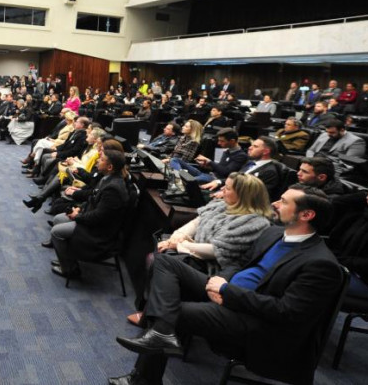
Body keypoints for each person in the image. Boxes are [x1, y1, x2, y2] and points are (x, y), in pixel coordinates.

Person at [110, 187, 343, 385]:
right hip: (228, 290)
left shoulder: (321, 264)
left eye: (283, 201)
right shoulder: (274, 233)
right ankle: (160, 337)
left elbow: (286, 312)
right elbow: (241, 263)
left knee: (170, 313)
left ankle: (143, 376)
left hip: (255, 319)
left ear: (307, 214)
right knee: (165, 262)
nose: (274, 203)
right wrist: (219, 283)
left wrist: (227, 292)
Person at [127, 173, 274, 327]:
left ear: (243, 195)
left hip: (211, 267)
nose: (222, 189)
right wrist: (176, 237)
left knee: (156, 261)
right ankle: (152, 314)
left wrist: (179, 246)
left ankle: (154, 317)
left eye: (228, 188)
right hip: (192, 251)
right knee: (158, 255)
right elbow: (196, 222)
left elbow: (217, 250)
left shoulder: (255, 222)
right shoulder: (222, 205)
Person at [49, 149, 132, 279]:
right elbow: (92, 199)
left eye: (102, 159)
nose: (98, 160)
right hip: (92, 219)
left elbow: (98, 217)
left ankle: (70, 270)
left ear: (110, 167)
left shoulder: (113, 189)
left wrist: (78, 216)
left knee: (56, 232)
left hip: (99, 232)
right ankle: (67, 259)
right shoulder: (107, 178)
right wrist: (79, 209)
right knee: (59, 219)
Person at [327, 178, 368, 300]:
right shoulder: (365, 212)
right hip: (345, 268)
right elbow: (337, 202)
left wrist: (337, 259)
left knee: (314, 277)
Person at [171, 128, 247, 185]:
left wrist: (209, 161)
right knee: (175, 160)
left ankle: (183, 179)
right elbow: (218, 168)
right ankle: (182, 177)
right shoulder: (226, 151)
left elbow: (225, 172)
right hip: (206, 173)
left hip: (213, 179)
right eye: (219, 140)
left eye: (222, 141)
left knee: (191, 180)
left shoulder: (241, 156)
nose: (219, 143)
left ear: (232, 141)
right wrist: (206, 166)